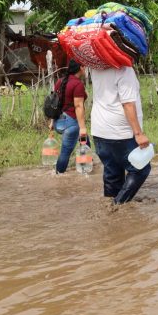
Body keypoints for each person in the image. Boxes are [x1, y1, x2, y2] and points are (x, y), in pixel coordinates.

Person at [90, 65, 151, 205]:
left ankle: (110, 214)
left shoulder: (95, 68)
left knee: (112, 173)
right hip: (120, 132)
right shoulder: (124, 70)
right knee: (141, 169)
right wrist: (139, 133)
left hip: (99, 130)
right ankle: (117, 205)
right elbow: (128, 104)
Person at [49, 59, 87, 174]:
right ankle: (58, 174)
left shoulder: (59, 81)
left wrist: (51, 122)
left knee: (86, 142)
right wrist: (83, 128)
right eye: (84, 66)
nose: (85, 69)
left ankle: (86, 166)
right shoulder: (78, 84)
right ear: (80, 68)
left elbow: (54, 104)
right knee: (65, 152)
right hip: (70, 124)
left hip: (58, 122)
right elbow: (78, 106)